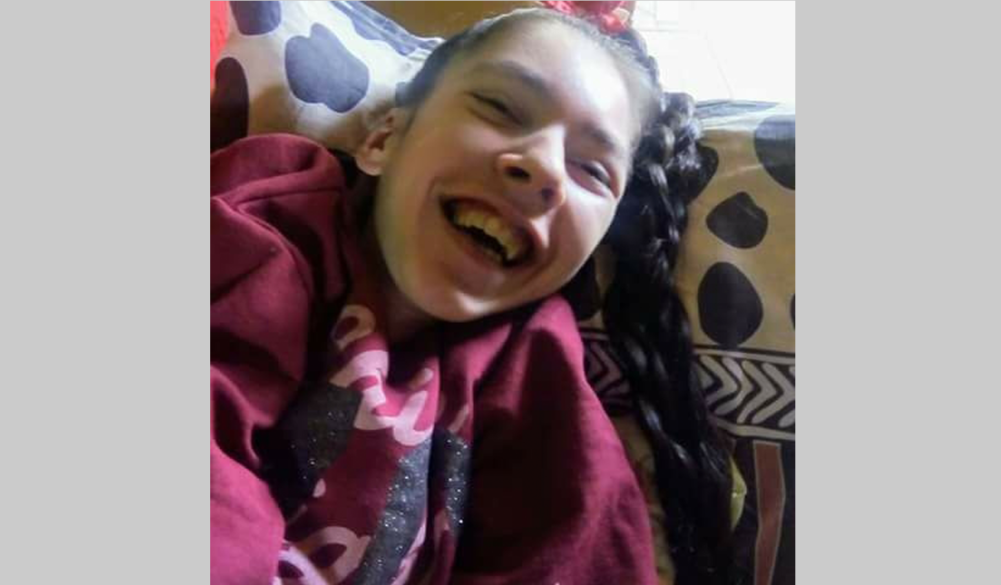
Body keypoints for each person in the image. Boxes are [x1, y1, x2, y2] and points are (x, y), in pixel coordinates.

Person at [211, 7, 735, 585]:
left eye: (591, 170)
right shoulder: (276, 219)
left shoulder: (535, 363)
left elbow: (577, 549)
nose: (544, 168)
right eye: (500, 108)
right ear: (384, 139)